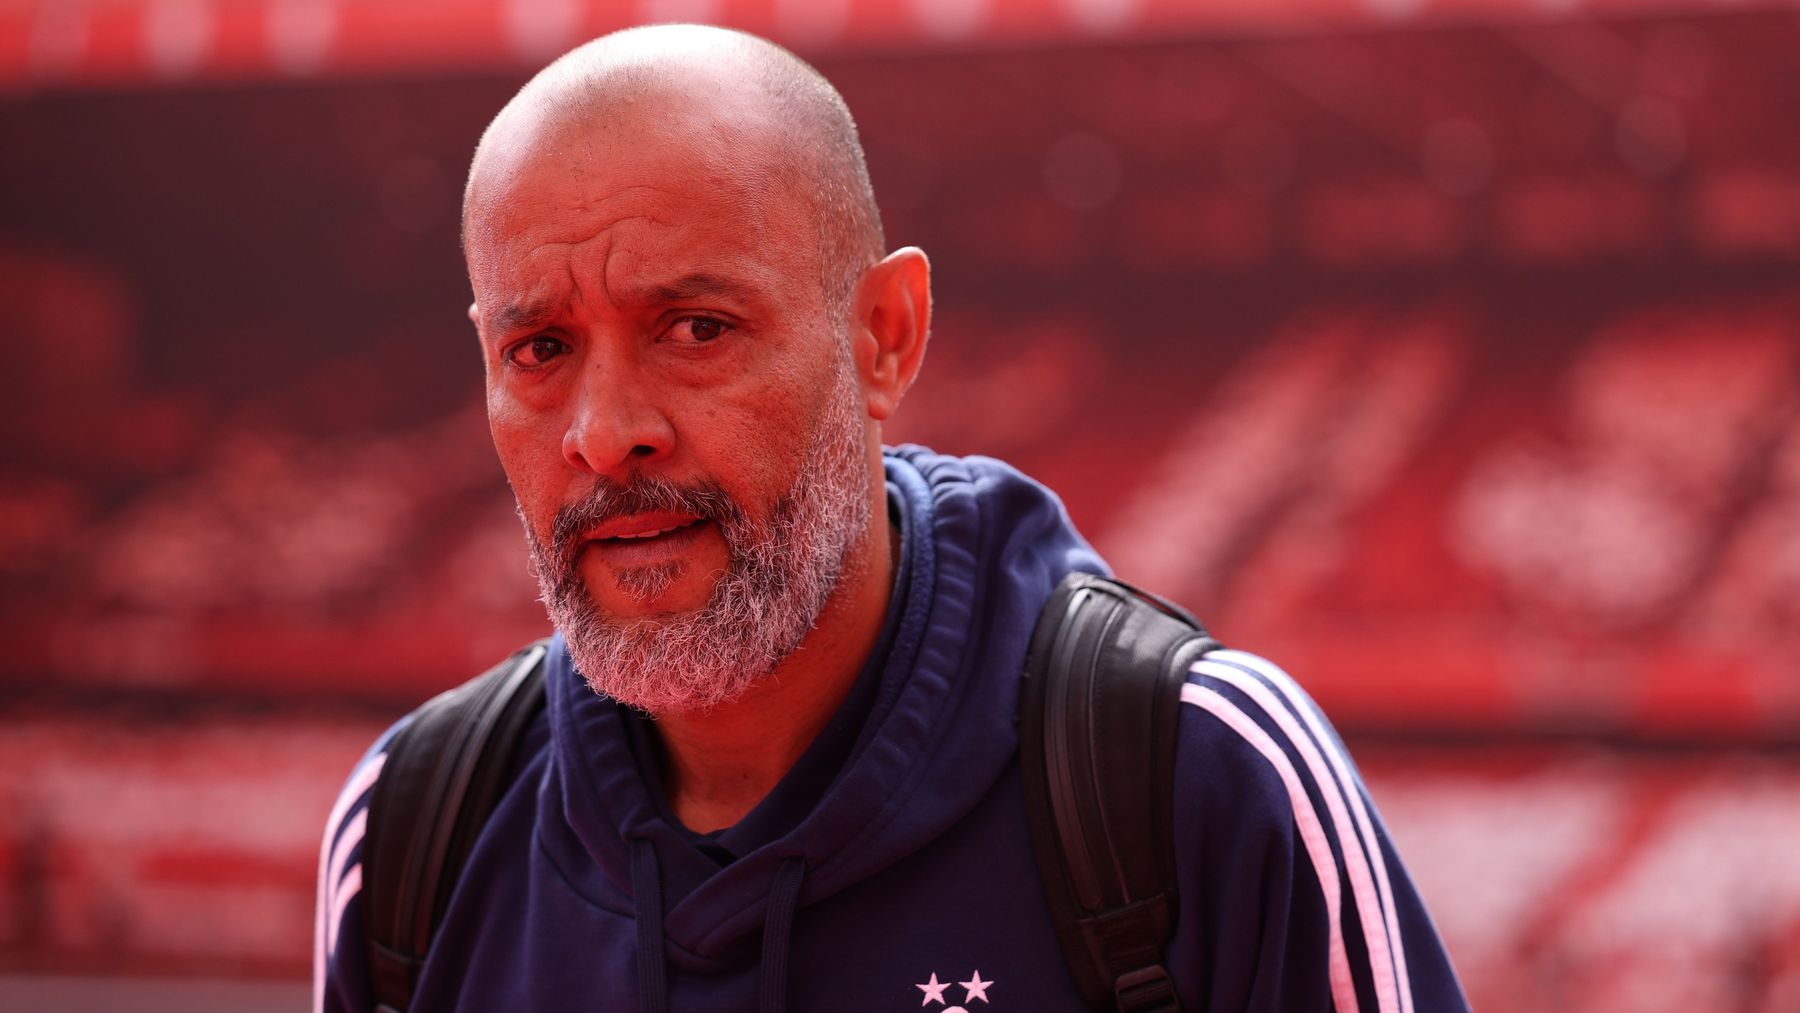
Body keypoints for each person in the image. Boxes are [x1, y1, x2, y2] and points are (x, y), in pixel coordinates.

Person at [315, 24, 1468, 1013]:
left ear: (885, 336)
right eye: (539, 349)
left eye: (698, 328)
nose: (606, 432)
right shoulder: (413, 831)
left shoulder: (1201, 774)